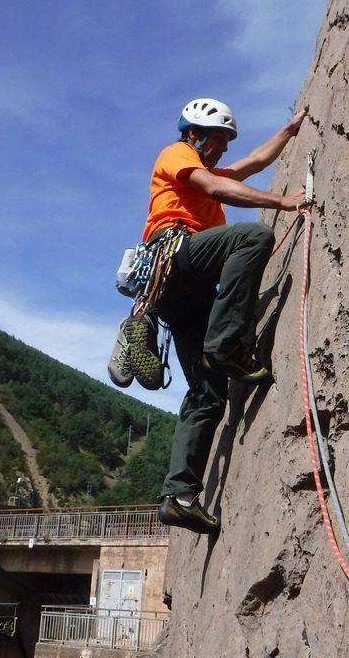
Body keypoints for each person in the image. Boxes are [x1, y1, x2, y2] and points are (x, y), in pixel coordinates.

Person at [134, 98, 308, 535]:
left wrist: (289, 131)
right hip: (176, 258)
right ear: (194, 133)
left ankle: (179, 496)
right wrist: (281, 201)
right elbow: (215, 189)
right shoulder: (178, 155)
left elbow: (253, 160)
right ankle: (226, 343)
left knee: (207, 393)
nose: (224, 149)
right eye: (218, 139)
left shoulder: (210, 165)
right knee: (254, 236)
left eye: (227, 141)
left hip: (182, 293)